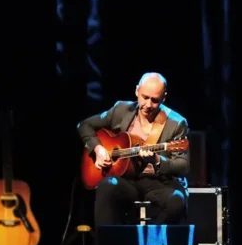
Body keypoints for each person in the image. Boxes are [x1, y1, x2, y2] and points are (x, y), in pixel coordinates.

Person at [77, 72, 189, 226]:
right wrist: (97, 149)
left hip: (159, 183)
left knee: (176, 201)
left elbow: (183, 165)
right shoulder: (121, 110)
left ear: (164, 98)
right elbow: (84, 125)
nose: (148, 105)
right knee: (108, 186)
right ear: (137, 91)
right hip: (127, 181)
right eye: (145, 97)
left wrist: (157, 160)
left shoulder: (176, 123)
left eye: (155, 100)